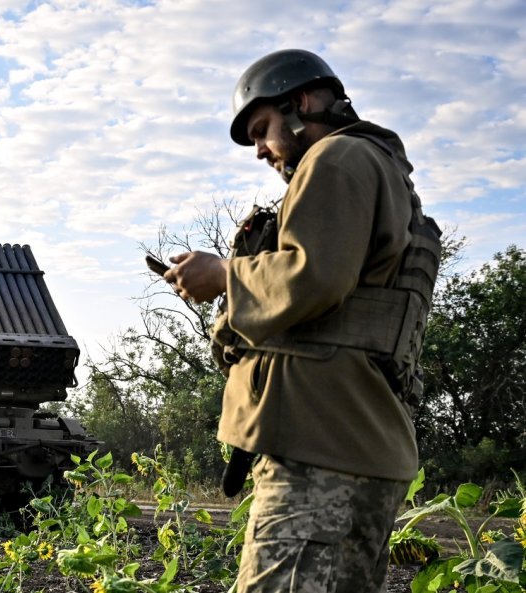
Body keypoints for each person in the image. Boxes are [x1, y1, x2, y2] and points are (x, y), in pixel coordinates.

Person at [164, 49, 440, 592]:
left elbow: (313, 275)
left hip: (322, 457)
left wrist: (224, 275)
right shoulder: (373, 166)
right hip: (344, 446)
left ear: (303, 102)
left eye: (262, 129)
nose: (261, 151)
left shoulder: (336, 159)